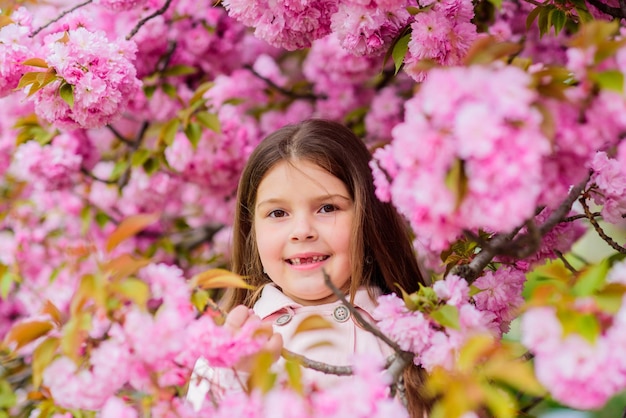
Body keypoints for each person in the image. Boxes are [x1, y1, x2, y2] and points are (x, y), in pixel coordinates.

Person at [187, 119, 430, 417]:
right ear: (253, 232)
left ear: (369, 219)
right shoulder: (227, 352)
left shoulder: (415, 337)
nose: (302, 231)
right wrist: (237, 378)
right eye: (278, 213)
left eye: (328, 208)